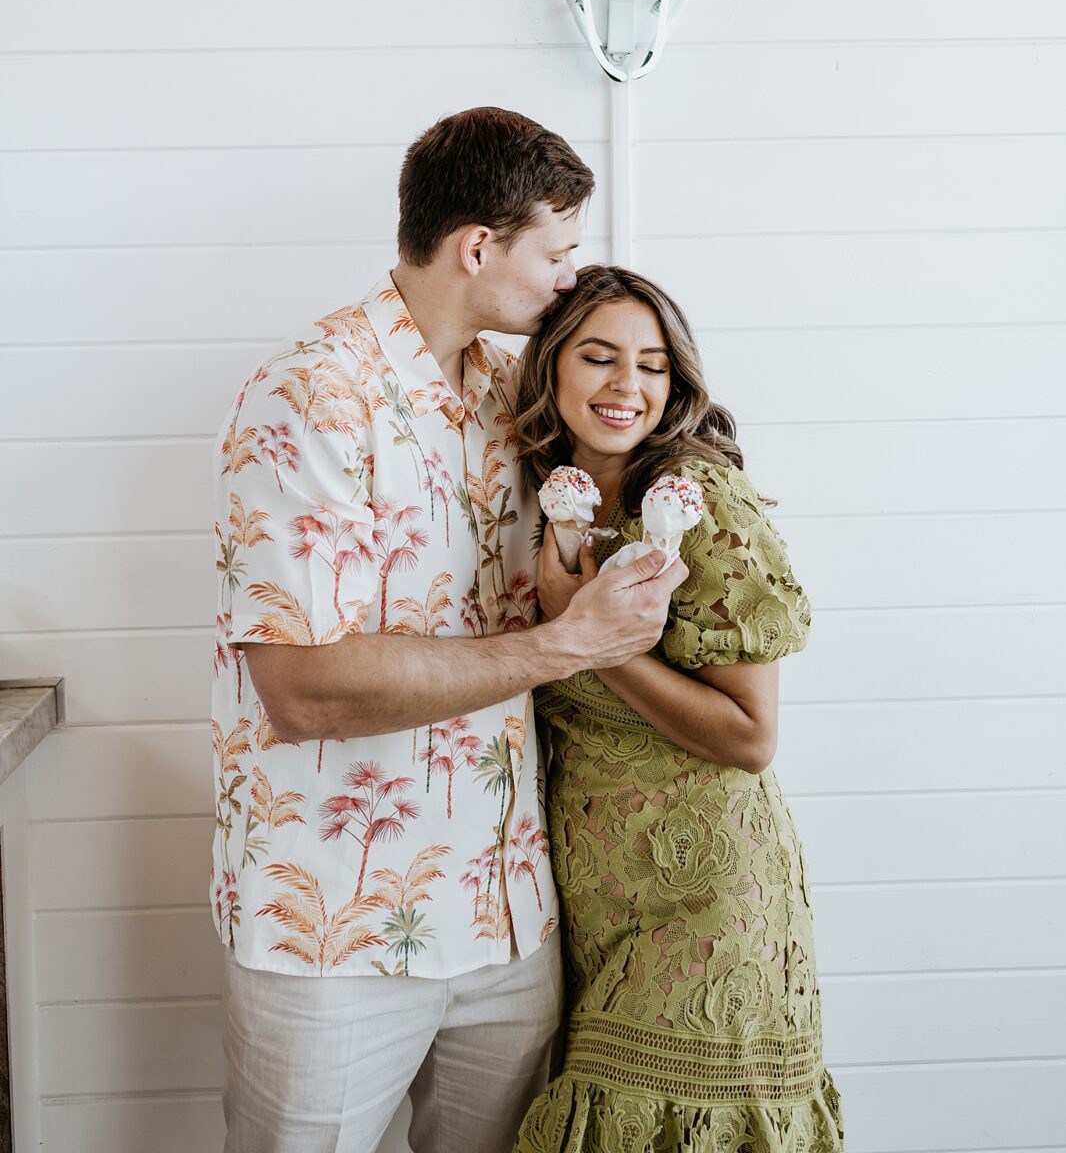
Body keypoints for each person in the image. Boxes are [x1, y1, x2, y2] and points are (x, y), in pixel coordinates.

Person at [210, 109, 689, 1153]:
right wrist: (569, 646)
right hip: (332, 929)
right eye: (555, 254)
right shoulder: (311, 396)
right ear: (479, 246)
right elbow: (302, 688)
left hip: (508, 909)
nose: (569, 279)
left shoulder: (508, 391)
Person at [511, 265, 844, 1153]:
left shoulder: (701, 503)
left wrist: (583, 635)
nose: (628, 386)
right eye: (599, 357)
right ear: (551, 367)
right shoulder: (540, 498)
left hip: (707, 904)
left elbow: (752, 736)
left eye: (653, 366)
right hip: (595, 902)